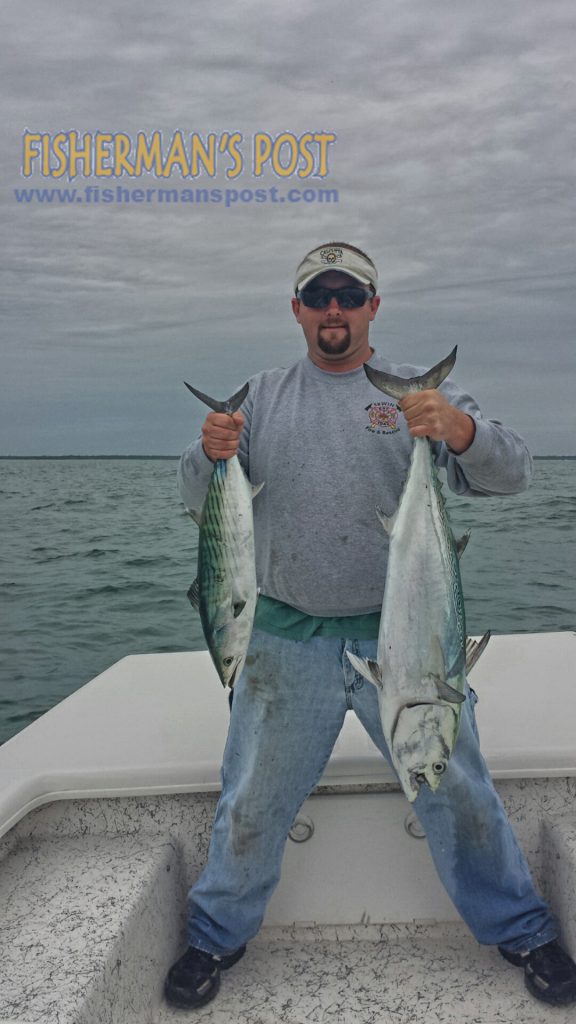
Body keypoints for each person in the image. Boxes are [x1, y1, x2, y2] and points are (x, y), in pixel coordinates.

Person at [166, 241, 576, 1010]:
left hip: (411, 635)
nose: (333, 309)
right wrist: (207, 450)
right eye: (317, 295)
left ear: (372, 307)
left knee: (457, 788)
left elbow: (513, 473)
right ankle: (214, 934)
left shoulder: (422, 399)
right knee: (251, 794)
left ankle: (520, 926)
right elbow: (199, 498)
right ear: (297, 310)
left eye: (348, 295)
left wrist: (457, 429)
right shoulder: (260, 396)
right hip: (288, 638)